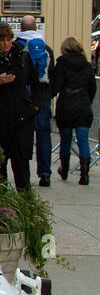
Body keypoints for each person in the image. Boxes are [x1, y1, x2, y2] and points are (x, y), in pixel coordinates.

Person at [0, 22, 41, 191]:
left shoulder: (22, 56)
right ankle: (1, 202)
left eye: (9, 39)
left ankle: (25, 204)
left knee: (21, 164)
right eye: (2, 39)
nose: (6, 43)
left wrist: (35, 106)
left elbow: (35, 83)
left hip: (21, 117)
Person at [16, 15, 55, 186]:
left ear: (21, 28)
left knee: (19, 134)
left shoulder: (17, 46)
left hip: (22, 94)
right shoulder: (46, 48)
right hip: (42, 95)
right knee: (43, 134)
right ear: (36, 28)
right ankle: (44, 173)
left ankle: (22, 171)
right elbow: (50, 74)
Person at [51, 36, 96, 184]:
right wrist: (86, 101)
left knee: (65, 140)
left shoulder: (61, 64)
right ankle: (84, 175)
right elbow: (92, 88)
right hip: (83, 106)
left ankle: (64, 171)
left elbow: (57, 87)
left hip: (66, 106)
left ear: (64, 49)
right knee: (83, 140)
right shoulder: (87, 65)